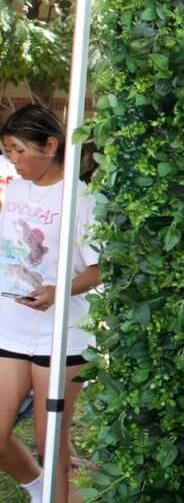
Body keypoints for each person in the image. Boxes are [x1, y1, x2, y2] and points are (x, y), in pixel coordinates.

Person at [0, 104, 101, 503]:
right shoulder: (15, 185)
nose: (14, 159)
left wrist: (58, 292)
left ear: (51, 144)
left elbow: (99, 270)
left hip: (62, 335)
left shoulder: (83, 199)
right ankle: (39, 487)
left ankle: (58, 493)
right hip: (11, 326)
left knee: (52, 444)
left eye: (20, 150)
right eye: (8, 150)